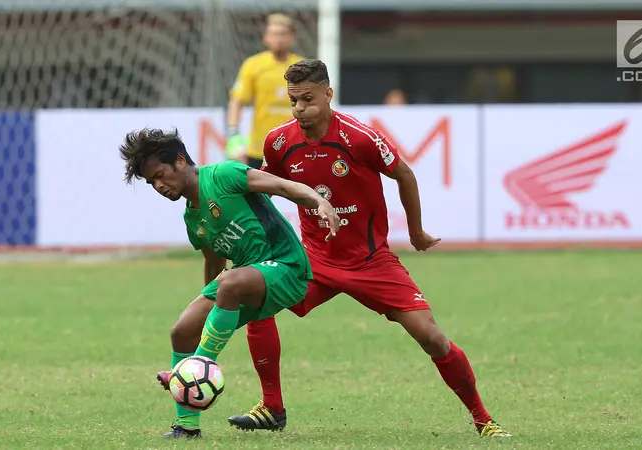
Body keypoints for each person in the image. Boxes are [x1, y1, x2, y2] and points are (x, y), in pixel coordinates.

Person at [227, 60, 512, 438]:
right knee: (254, 302)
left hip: (370, 260)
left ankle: (483, 420)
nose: (299, 109)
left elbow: (404, 174)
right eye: (293, 101)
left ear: (328, 94)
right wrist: (256, 243)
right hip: (314, 259)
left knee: (431, 336)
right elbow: (265, 187)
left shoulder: (359, 137)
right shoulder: (279, 142)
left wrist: (416, 232)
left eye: (308, 100)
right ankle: (271, 408)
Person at [119, 128, 340, 439]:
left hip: (287, 267)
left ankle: (196, 367)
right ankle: (186, 427)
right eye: (151, 182)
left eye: (160, 175)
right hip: (245, 278)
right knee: (182, 330)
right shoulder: (192, 219)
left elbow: (281, 186)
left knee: (231, 283)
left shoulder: (224, 174)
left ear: (180, 160)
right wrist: (207, 308)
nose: (158, 185)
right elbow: (214, 264)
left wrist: (318, 200)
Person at [225, 13, 303, 169]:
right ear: (266, 37)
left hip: (296, 148)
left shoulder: (302, 66)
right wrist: (233, 133)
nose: (278, 39)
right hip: (260, 149)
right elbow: (237, 100)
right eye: (274, 34)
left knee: (300, 192)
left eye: (283, 34)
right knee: (259, 193)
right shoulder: (253, 65)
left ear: (292, 37)